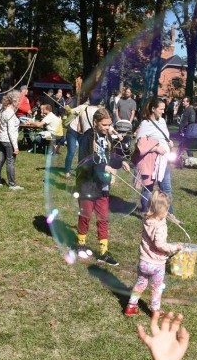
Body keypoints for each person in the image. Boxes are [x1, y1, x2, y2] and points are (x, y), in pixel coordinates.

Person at [72, 107, 130, 266]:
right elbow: (85, 161)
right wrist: (103, 168)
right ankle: (80, 244)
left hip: (102, 184)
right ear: (96, 123)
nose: (108, 127)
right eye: (104, 125)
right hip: (87, 183)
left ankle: (103, 252)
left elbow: (109, 157)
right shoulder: (87, 138)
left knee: (103, 217)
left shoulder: (107, 137)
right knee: (85, 215)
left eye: (109, 124)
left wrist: (120, 162)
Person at [124, 190, 182, 317]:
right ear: (161, 210)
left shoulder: (147, 219)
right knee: (157, 288)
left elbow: (155, 222)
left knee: (140, 283)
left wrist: (165, 217)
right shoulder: (160, 226)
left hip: (144, 261)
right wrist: (173, 247)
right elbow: (160, 244)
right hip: (156, 264)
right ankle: (155, 310)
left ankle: (131, 306)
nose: (168, 212)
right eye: (167, 209)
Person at [135, 99, 175, 215]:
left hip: (164, 160)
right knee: (148, 188)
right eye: (161, 109)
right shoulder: (145, 124)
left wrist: (169, 142)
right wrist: (156, 148)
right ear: (153, 109)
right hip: (151, 160)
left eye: (164, 109)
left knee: (166, 188)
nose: (163, 111)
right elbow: (139, 144)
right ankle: (145, 212)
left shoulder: (162, 121)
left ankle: (169, 214)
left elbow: (163, 137)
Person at [0, 90, 23, 190]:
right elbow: (11, 131)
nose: (19, 103)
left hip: (0, 138)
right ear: (13, 101)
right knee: (10, 162)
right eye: (18, 101)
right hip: (8, 140)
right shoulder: (9, 112)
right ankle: (12, 184)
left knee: (0, 160)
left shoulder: (3, 110)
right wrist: (16, 147)